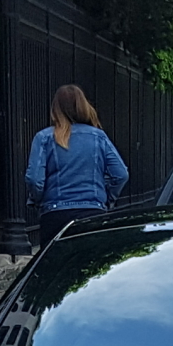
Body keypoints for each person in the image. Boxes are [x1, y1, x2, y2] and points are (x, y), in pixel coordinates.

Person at [26, 85, 129, 248]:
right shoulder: (99, 137)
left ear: (55, 109)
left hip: (55, 214)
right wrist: (106, 198)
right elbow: (121, 174)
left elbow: (34, 180)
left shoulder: (44, 138)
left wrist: (40, 200)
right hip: (93, 212)